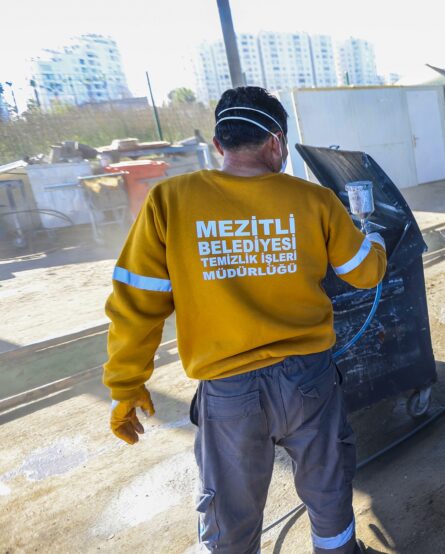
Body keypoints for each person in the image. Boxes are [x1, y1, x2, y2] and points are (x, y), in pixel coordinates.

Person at [103, 86, 386, 553]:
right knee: (328, 490)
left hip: (228, 392)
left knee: (230, 514)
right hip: (308, 383)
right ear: (276, 142)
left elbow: (136, 303)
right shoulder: (313, 199)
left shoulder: (169, 200)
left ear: (220, 144)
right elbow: (365, 273)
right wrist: (372, 238)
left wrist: (125, 384)